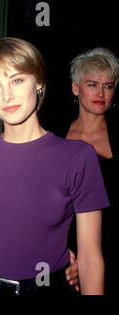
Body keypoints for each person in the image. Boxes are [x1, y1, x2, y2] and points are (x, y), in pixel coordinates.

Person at [0, 38, 109, 295]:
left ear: (37, 82)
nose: (6, 95)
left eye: (17, 80)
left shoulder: (78, 156)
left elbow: (90, 259)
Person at [64, 48, 119, 294]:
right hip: (67, 259)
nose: (100, 92)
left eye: (108, 86)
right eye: (92, 84)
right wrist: (69, 257)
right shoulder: (55, 137)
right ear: (76, 88)